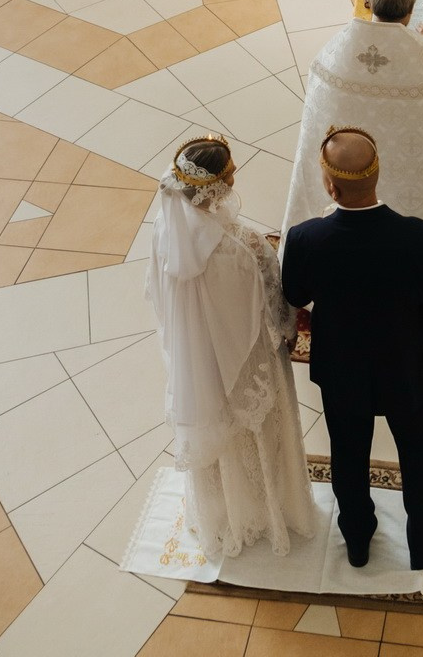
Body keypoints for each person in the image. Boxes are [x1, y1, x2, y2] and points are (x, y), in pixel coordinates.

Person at [282, 127, 423, 571]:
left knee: (348, 453)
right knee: (418, 452)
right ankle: (422, 540)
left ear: (330, 186)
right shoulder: (421, 237)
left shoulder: (306, 239)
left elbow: (295, 293)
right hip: (407, 368)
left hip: (342, 371)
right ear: (378, 175)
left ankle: (357, 539)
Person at [280, 0, 423, 333]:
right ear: (411, 9)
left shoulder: (333, 53)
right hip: (417, 176)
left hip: (347, 174)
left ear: (367, 1)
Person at [146, 137, 317, 563]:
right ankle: (270, 511)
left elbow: (157, 295)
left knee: (216, 426)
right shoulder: (245, 244)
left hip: (197, 358)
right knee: (257, 430)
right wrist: (287, 332)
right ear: (221, 186)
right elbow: (277, 307)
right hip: (249, 357)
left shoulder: (167, 234)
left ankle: (223, 514)